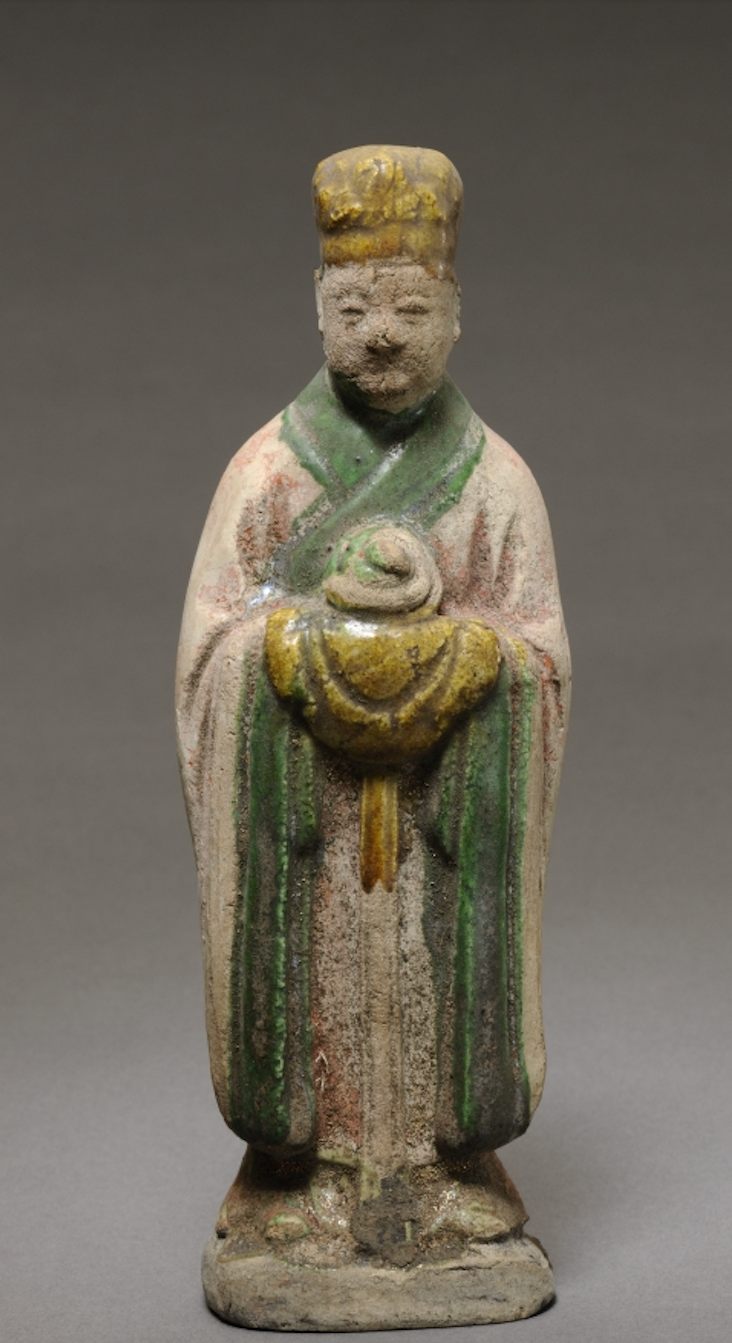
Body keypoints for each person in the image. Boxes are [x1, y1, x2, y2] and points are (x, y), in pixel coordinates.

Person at [176, 146, 570, 1272]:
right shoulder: (266, 475)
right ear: (317, 309)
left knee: (429, 980)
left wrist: (465, 666)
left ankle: (450, 1169)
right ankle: (295, 1173)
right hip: (311, 834)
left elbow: (540, 660)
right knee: (320, 980)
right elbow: (210, 658)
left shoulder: (494, 482)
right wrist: (291, 656)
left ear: (456, 313)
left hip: (440, 833)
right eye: (353, 309)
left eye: (410, 308)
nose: (381, 335)